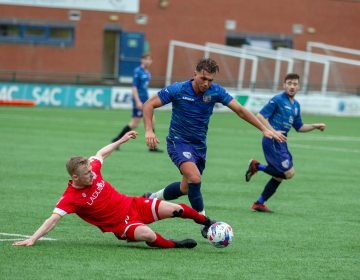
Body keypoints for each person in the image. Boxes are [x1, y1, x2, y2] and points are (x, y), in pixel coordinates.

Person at [12, 131, 216, 249]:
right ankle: (175, 245)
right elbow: (53, 220)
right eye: (88, 175)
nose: (93, 175)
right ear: (75, 178)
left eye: (92, 171)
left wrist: (122, 140)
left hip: (133, 204)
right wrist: (32, 238)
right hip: (122, 225)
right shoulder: (70, 198)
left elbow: (101, 153)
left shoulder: (91, 169)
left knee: (176, 209)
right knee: (147, 234)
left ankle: (207, 222)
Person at [142, 58, 284, 223]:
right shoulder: (178, 89)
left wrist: (264, 129)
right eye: (203, 78)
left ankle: (152, 197)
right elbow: (148, 105)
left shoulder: (215, 92)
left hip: (199, 147)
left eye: (210, 80)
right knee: (195, 178)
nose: (206, 83)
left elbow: (240, 110)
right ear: (195, 74)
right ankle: (205, 223)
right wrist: (148, 130)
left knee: (186, 188)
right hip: (178, 142)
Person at [245, 73, 326, 213]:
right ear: (284, 85)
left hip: (281, 143)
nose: (292, 86)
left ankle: (259, 203)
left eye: (295, 84)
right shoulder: (277, 99)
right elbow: (261, 116)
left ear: (298, 87)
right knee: (288, 173)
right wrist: (273, 132)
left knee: (279, 176)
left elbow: (299, 127)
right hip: (272, 140)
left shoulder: (296, 106)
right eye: (289, 83)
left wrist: (315, 125)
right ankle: (257, 166)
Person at [111, 53, 162, 152]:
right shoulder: (138, 71)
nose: (148, 61)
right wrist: (138, 101)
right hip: (140, 101)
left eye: (150, 59)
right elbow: (134, 87)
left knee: (149, 121)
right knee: (135, 123)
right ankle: (116, 141)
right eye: (146, 59)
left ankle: (152, 146)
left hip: (146, 101)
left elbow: (144, 88)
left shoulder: (147, 73)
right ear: (142, 60)